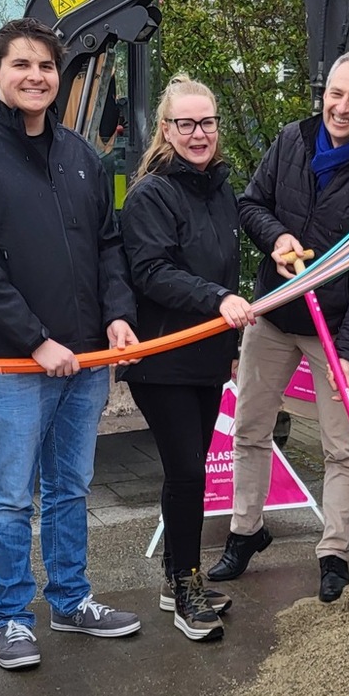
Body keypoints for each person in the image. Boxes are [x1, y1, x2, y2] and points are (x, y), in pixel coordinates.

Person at [0, 18, 141, 671]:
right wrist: (36, 339)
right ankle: (13, 617)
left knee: (71, 486)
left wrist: (117, 316)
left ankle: (72, 600)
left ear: (60, 75)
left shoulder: (82, 154)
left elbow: (107, 243)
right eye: (20, 65)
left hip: (84, 360)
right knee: (10, 495)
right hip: (12, 363)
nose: (35, 76)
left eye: (46, 66)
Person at [212, 52, 349, 602]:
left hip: (339, 328)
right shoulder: (291, 141)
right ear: (323, 92)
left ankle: (334, 551)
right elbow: (251, 204)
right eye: (336, 94)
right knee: (249, 428)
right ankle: (245, 532)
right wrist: (275, 236)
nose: (341, 107)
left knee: (342, 447)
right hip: (275, 311)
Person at [119, 74, 255, 641]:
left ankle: (179, 577)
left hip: (206, 355)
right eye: (186, 124)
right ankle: (184, 586)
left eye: (207, 122)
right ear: (166, 129)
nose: (199, 134)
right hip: (164, 357)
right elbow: (152, 272)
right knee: (187, 473)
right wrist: (219, 300)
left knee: (188, 475)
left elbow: (224, 266)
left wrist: (229, 346)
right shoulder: (151, 193)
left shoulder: (218, 187)